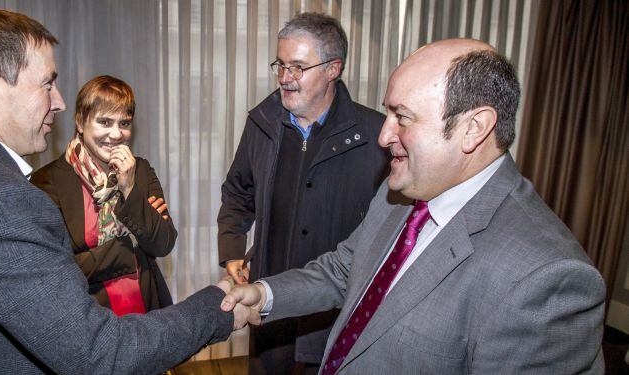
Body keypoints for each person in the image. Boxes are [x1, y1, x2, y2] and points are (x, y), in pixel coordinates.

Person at [0, 7, 248, 374]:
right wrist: (218, 306)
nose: (57, 100)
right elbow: (100, 354)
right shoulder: (3, 200)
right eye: (47, 83)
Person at [222, 38, 606, 374]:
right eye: (388, 113)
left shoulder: (548, 279)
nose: (384, 135)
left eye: (402, 117)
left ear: (474, 128)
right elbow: (344, 270)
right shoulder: (403, 192)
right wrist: (265, 294)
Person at [217, 12, 388, 373]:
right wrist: (231, 249)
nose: (284, 79)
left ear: (333, 69)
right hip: (268, 305)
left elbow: (389, 228)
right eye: (280, 65)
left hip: (333, 315)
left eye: (297, 67)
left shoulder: (378, 137)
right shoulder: (261, 123)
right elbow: (237, 191)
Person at [31, 76, 175, 315]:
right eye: (105, 122)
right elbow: (58, 272)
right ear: (80, 121)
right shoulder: (47, 182)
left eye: (125, 123)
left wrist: (129, 188)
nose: (117, 134)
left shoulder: (140, 170)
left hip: (148, 310)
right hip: (88, 319)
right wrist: (131, 248)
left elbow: (163, 243)